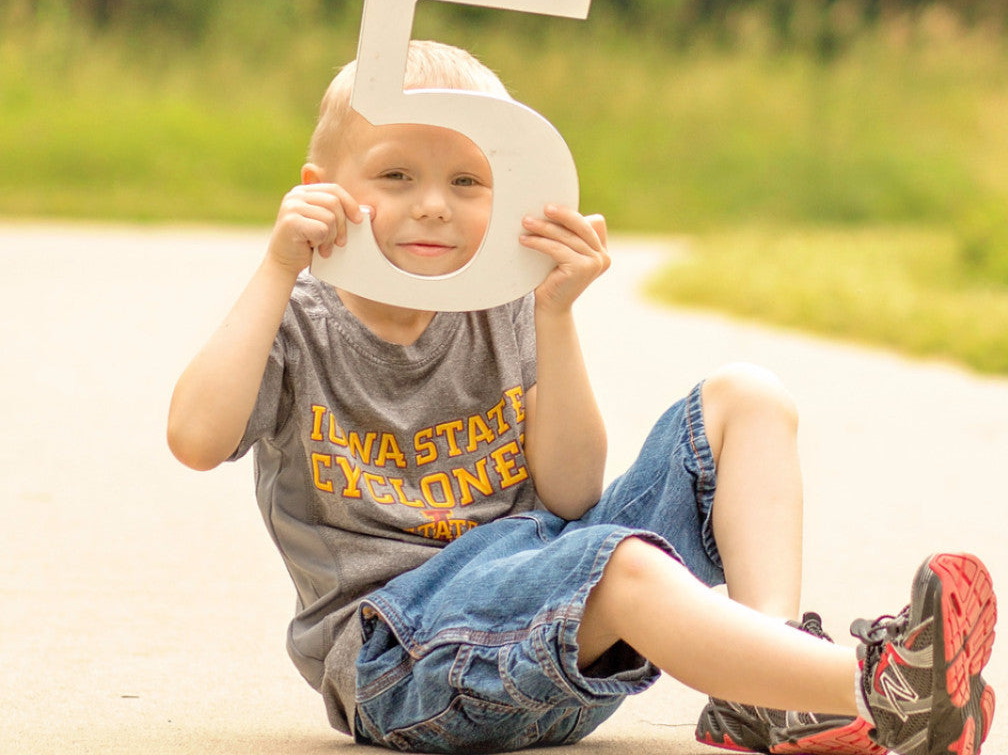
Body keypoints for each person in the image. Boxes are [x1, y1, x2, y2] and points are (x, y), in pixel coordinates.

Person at [168, 40, 997, 755]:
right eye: (396, 175)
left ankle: (769, 687)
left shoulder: (501, 305)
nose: (433, 204)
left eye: (467, 180)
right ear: (321, 188)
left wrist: (553, 314)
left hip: (552, 617)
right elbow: (197, 438)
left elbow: (569, 492)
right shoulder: (297, 321)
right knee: (616, 565)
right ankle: (870, 690)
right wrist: (279, 265)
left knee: (747, 398)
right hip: (405, 663)